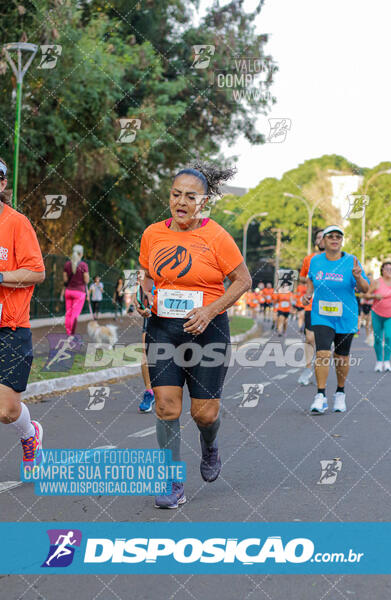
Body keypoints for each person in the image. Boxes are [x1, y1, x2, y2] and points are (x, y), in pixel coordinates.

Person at [135, 161, 252, 508]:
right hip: (163, 329)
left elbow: (243, 281)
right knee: (166, 407)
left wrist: (210, 310)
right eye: (175, 194)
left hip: (207, 331)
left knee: (204, 414)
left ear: (203, 202)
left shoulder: (216, 236)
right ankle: (172, 482)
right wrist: (143, 297)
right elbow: (146, 275)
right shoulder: (153, 234)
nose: (181, 201)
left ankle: (210, 444)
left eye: (190, 196)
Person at [0, 157, 46, 469]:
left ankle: (29, 434)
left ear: (2, 183)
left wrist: (1, 276)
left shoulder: (16, 222)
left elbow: (37, 271)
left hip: (12, 328)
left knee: (6, 411)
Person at [302, 226, 369, 413]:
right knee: (322, 353)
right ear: (323, 241)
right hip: (322, 315)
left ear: (342, 241)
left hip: (346, 316)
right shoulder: (315, 261)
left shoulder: (352, 261)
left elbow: (365, 289)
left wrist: (358, 277)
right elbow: (310, 279)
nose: (334, 239)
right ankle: (320, 395)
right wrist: (308, 294)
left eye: (338, 237)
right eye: (330, 236)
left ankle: (340, 393)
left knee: (341, 357)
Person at [297, 229, 325, 386]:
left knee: (323, 341)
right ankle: (308, 368)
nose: (321, 240)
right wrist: (309, 278)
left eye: (324, 237)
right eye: (318, 237)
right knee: (309, 338)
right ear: (316, 241)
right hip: (312, 304)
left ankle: (320, 367)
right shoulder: (309, 259)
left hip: (329, 305)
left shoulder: (335, 259)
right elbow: (302, 276)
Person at [364, 261, 391, 372]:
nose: (389, 271)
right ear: (382, 270)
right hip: (377, 314)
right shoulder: (376, 282)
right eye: (387, 269)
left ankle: (387, 361)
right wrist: (375, 295)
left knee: (389, 336)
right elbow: (366, 295)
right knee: (378, 338)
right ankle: (379, 361)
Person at [61, 245, 89, 335]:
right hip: (79, 292)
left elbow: (65, 280)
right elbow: (86, 280)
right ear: (81, 254)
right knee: (75, 315)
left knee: (68, 313)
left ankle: (68, 332)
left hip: (68, 291)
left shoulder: (67, 264)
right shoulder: (83, 265)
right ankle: (71, 334)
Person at [138, 284, 156, 413]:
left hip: (179, 309)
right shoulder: (150, 265)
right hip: (153, 310)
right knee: (146, 351)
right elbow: (142, 285)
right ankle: (149, 392)